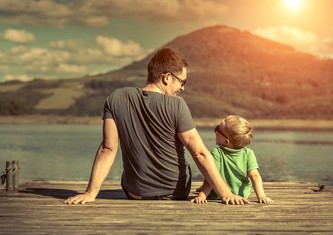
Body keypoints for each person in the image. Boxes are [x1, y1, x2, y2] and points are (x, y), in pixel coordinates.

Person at [64, 47, 249, 205]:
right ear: (167, 77)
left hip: (135, 193)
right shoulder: (177, 105)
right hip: (175, 193)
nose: (183, 88)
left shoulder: (116, 98)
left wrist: (90, 193)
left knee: (126, 175)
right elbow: (199, 153)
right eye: (182, 81)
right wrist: (226, 193)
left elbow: (108, 148)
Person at [191, 115, 274, 204]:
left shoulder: (217, 153)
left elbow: (211, 177)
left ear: (226, 141)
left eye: (217, 129)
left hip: (218, 195)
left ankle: (203, 190)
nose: (215, 131)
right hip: (242, 195)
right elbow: (255, 176)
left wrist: (202, 195)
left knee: (210, 177)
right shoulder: (248, 153)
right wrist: (262, 196)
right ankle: (202, 189)